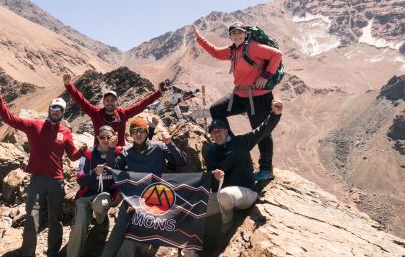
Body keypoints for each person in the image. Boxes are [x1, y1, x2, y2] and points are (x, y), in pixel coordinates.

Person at [182, 100, 283, 257]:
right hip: (224, 198)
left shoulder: (240, 142)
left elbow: (261, 131)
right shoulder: (210, 151)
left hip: (247, 193)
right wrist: (214, 177)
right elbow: (211, 183)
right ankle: (189, 252)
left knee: (226, 194)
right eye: (213, 131)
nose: (217, 133)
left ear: (227, 130)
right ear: (210, 135)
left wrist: (275, 115)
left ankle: (226, 225)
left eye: (220, 129)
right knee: (193, 208)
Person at [0, 81, 80, 257]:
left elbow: (72, 156)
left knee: (56, 219)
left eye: (60, 109)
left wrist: (84, 151)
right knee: (31, 217)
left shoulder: (66, 132)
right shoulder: (34, 126)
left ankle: (53, 253)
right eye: (54, 108)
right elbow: (10, 119)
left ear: (63, 113)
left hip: (57, 181)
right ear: (49, 109)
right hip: (37, 180)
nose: (56, 111)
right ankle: (28, 253)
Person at [192, 24, 283, 181]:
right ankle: (233, 145)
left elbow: (277, 55)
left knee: (262, 132)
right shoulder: (232, 51)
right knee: (216, 109)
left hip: (259, 95)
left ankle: (266, 169)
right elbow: (214, 51)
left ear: (245, 34)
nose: (237, 36)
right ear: (230, 36)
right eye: (233, 34)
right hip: (240, 93)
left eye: (240, 33)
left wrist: (266, 76)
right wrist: (199, 38)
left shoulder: (253, 47)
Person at [101, 117, 188, 257]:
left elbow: (181, 161)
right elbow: (113, 169)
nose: (138, 134)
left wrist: (170, 143)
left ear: (147, 132)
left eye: (141, 130)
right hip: (134, 198)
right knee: (117, 232)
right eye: (134, 131)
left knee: (133, 233)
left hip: (157, 198)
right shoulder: (127, 151)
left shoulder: (159, 147)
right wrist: (111, 149)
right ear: (131, 134)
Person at [63, 74, 166, 146]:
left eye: (112, 100)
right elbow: (81, 100)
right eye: (107, 100)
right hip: (100, 152)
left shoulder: (123, 114)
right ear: (103, 102)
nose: (110, 103)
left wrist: (159, 93)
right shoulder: (95, 113)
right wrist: (69, 85)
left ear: (116, 102)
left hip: (119, 153)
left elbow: (141, 105)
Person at [67, 125, 121, 257]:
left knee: (100, 203)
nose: (105, 140)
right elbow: (80, 179)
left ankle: (101, 220)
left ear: (114, 137)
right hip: (86, 195)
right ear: (97, 138)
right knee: (79, 225)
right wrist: (94, 173)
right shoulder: (89, 154)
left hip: (106, 195)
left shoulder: (119, 152)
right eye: (102, 137)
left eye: (109, 137)